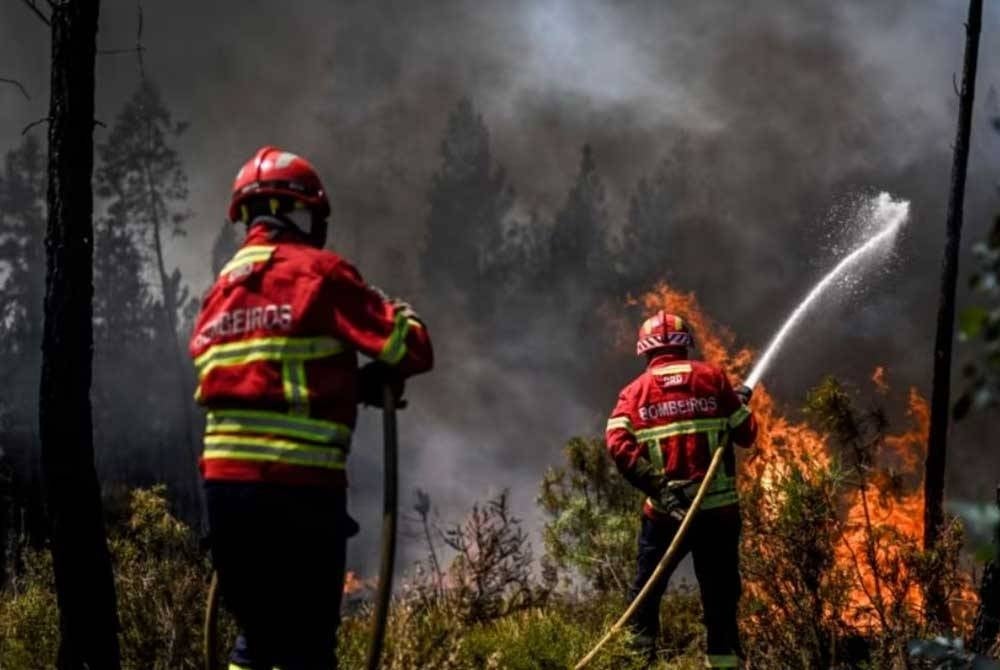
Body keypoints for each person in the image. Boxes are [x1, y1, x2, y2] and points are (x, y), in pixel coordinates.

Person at [189, 146, 433, 669]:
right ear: (300, 212)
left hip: (226, 497)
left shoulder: (219, 293)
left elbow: (263, 376)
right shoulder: (318, 273)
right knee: (307, 647)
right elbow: (411, 346)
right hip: (297, 495)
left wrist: (346, 384)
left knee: (257, 638)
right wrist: (391, 316)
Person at [605, 311, 756, 669]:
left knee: (645, 596)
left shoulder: (634, 393)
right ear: (686, 344)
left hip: (663, 515)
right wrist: (736, 403)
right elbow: (746, 435)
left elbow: (617, 444)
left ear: (645, 351)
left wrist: (660, 488)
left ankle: (638, 662)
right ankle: (723, 663)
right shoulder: (713, 380)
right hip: (718, 515)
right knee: (720, 599)